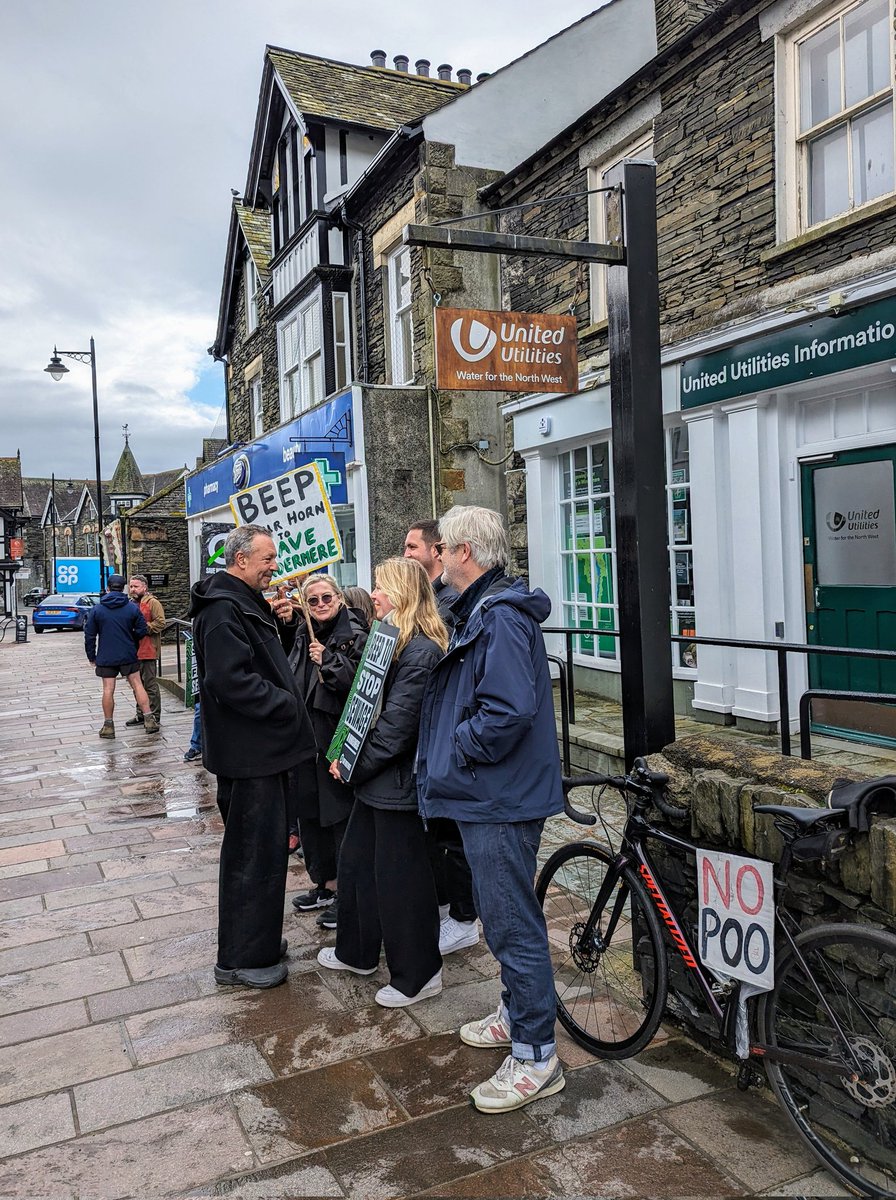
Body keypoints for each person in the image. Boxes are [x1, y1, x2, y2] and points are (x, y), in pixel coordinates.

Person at [417, 506, 565, 1113]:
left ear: (464, 553)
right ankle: (515, 1013)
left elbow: (507, 710)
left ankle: (536, 1055)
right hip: (492, 792)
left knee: (510, 923)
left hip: (499, 796)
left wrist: (460, 749)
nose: (435, 557)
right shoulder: (478, 609)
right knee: (504, 915)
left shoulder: (499, 617)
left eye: (443, 548)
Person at [188, 524, 316, 989]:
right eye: (267, 558)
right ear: (240, 560)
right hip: (250, 755)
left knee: (263, 856)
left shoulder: (240, 603)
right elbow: (231, 681)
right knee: (250, 857)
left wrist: (281, 625)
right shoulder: (223, 610)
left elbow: (261, 661)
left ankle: (257, 941)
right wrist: (287, 703)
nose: (274, 566)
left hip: (260, 753)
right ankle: (239, 959)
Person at [317, 557, 446, 1008]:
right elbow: (363, 702)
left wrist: (351, 764)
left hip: (399, 784)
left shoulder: (421, 650)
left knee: (401, 881)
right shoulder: (392, 640)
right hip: (378, 780)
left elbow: (396, 728)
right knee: (356, 866)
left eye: (381, 588)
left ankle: (419, 973)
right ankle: (357, 952)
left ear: (403, 595)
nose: (373, 595)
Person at [404, 520, 478, 958]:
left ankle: (466, 918)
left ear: (440, 551)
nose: (408, 552)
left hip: (448, 736)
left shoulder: (448, 604)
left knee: (453, 835)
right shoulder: (432, 600)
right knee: (439, 836)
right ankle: (451, 908)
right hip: (431, 736)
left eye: (414, 546)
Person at [284, 575, 367, 931]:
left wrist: (329, 659)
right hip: (306, 739)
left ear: (339, 598)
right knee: (311, 816)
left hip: (336, 736)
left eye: (326, 597)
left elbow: (363, 686)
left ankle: (349, 893)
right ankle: (326, 884)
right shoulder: (305, 631)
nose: (320, 604)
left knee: (338, 817)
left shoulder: (355, 633)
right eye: (313, 600)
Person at [84, 573, 158, 739]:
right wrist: (132, 642)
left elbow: (89, 636)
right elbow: (141, 630)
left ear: (108, 588)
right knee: (138, 685)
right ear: (124, 588)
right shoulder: (132, 608)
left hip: (106, 656)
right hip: (128, 654)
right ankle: (149, 720)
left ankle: (108, 725)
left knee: (108, 689)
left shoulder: (97, 610)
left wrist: (91, 656)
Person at [126, 575, 166, 728]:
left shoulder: (153, 602)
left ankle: (154, 716)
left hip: (148, 649)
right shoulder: (130, 604)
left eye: (136, 586)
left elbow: (160, 623)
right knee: (137, 685)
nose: (133, 589)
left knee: (150, 685)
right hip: (133, 651)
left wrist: (143, 627)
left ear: (145, 587)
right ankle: (141, 714)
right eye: (131, 586)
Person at [403, 519, 458, 621]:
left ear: (436, 550)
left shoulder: (451, 598)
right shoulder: (420, 593)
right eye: (406, 548)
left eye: (412, 547)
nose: (406, 555)